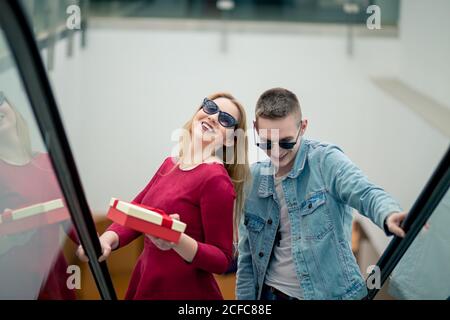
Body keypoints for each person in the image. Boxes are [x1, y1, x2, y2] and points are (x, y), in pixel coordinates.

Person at [236, 88, 407, 300]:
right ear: (255, 128)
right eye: (266, 142)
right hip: (271, 295)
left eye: (286, 142)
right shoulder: (253, 179)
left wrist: (388, 214)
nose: (277, 152)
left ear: (303, 127)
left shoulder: (325, 161)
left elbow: (365, 192)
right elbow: (247, 258)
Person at [77, 92, 251, 300]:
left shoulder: (216, 180)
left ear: (231, 140)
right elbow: (136, 212)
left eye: (226, 119)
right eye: (211, 108)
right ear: (198, 112)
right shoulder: (170, 164)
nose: (213, 117)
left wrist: (176, 240)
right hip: (147, 281)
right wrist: (107, 239)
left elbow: (221, 259)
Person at [0, 91, 77, 299]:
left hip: (53, 273)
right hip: (13, 280)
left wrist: (94, 243)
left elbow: (71, 216)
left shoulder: (49, 162)